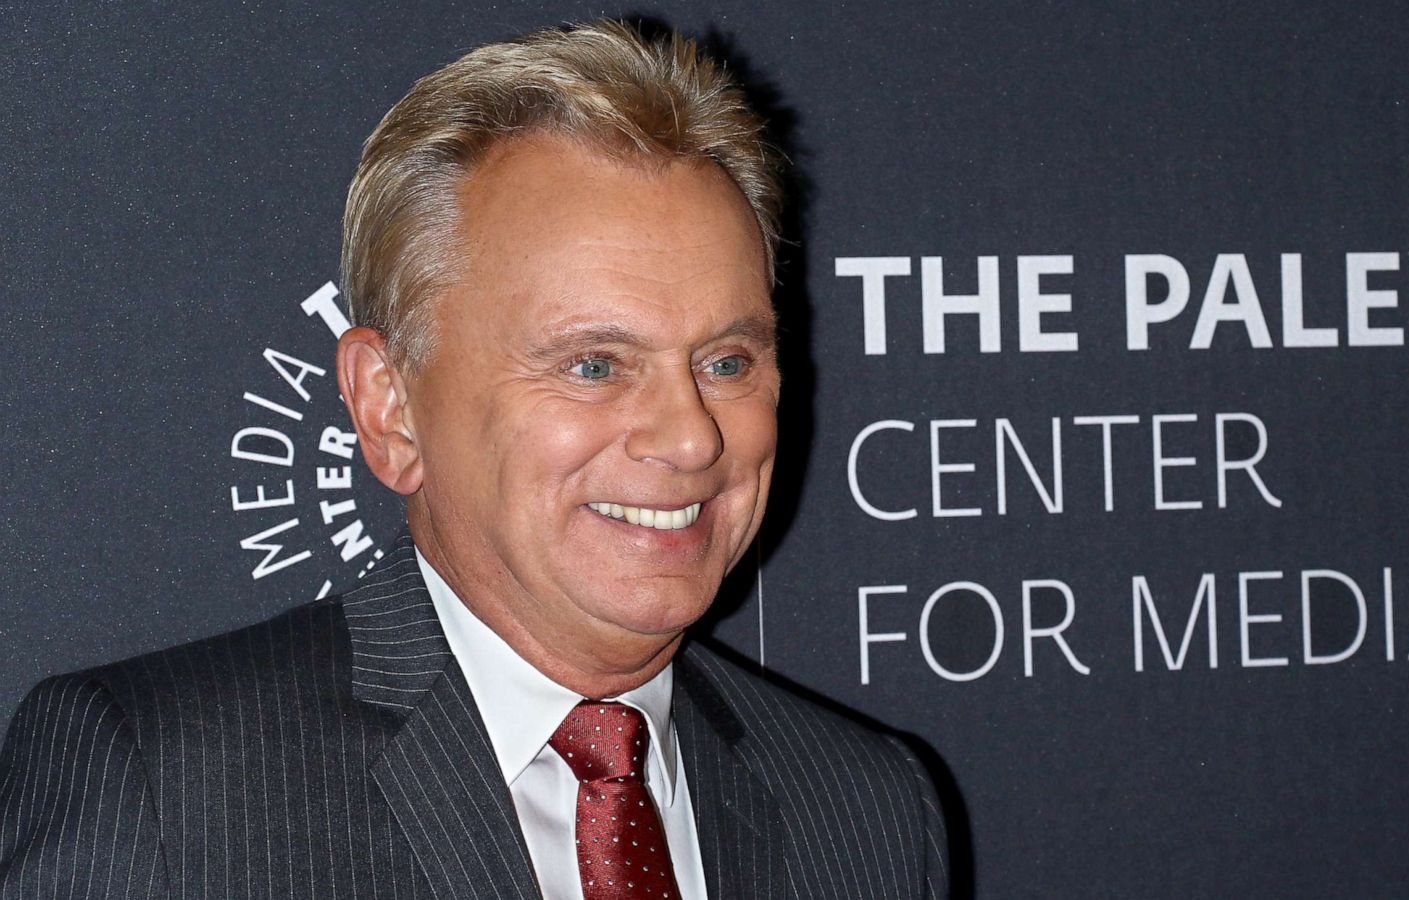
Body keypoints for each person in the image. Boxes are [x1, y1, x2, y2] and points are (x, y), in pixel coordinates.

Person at [0, 20, 948, 900]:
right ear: (389, 408)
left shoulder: (865, 809)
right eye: (594, 364)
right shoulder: (166, 787)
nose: (692, 436)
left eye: (727, 361)